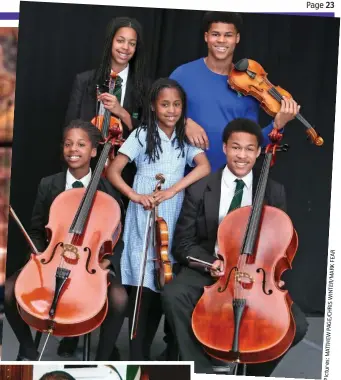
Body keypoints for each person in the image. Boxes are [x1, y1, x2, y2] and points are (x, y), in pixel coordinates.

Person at [161, 118, 308, 375]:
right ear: (225, 148)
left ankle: (252, 374)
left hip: (256, 275)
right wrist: (211, 264)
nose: (242, 155)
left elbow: (279, 243)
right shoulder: (199, 189)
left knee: (298, 326)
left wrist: (274, 275)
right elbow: (183, 244)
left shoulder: (274, 192)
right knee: (173, 295)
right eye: (236, 148)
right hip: (214, 269)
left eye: (249, 149)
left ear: (259, 152)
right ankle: (202, 370)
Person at [4, 120, 128, 361]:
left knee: (119, 299)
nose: (74, 149)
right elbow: (37, 229)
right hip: (51, 260)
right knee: (9, 291)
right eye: (69, 144)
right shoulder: (49, 184)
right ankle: (28, 349)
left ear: (94, 151)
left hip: (90, 264)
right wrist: (40, 256)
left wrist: (108, 263)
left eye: (81, 144)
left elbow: (116, 235)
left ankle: (103, 357)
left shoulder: (107, 189)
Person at [62, 15, 148, 357]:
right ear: (110, 42)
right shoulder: (86, 81)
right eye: (120, 41)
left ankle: (102, 330)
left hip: (122, 175)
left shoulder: (142, 86)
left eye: (132, 43)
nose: (125, 48)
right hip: (87, 174)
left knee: (108, 247)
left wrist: (123, 114)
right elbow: (71, 127)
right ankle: (71, 325)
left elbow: (147, 131)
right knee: (77, 244)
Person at [106, 77, 211, 360]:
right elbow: (113, 171)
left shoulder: (183, 137)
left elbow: (204, 167)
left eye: (177, 105)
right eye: (164, 104)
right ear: (153, 106)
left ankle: (166, 351)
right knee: (142, 282)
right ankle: (137, 353)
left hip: (173, 211)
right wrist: (135, 196)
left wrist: (172, 190)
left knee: (165, 276)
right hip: (143, 213)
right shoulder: (141, 135)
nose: (171, 110)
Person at [170, 11, 300, 172]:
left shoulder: (248, 87)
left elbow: (252, 142)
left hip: (225, 180)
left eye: (228, 35)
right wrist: (183, 123)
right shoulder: (182, 74)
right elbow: (155, 116)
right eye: (215, 34)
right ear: (206, 37)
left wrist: (278, 125)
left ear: (237, 38)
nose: (221, 40)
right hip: (182, 176)